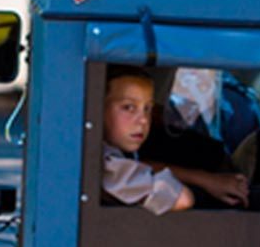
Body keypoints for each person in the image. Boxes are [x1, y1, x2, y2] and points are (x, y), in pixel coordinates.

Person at [101, 68, 247, 213]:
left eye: (147, 109)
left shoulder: (113, 155)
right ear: (98, 108)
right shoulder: (103, 164)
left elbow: (137, 167)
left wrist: (206, 180)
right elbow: (182, 199)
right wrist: (205, 181)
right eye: (128, 107)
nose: (144, 120)